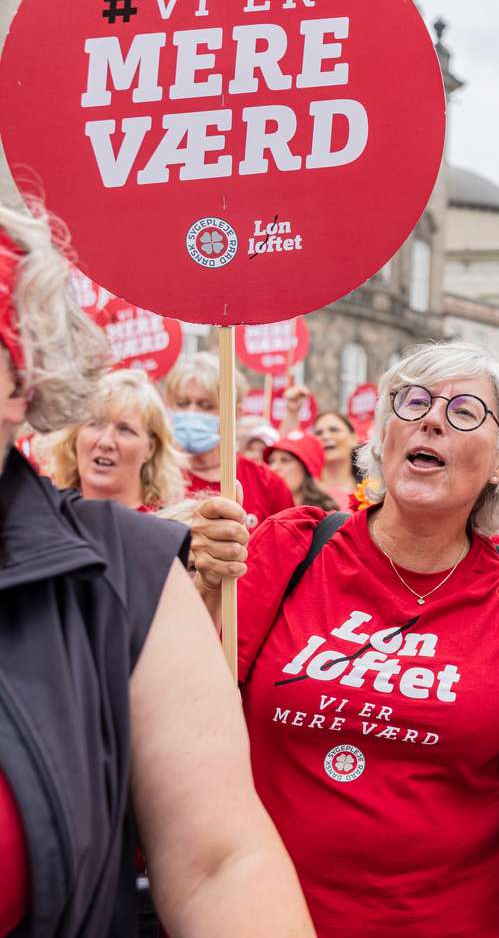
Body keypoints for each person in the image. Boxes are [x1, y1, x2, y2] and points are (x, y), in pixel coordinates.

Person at [0, 206, 312, 935]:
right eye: (100, 429)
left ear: (24, 383)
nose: (108, 443)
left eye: (129, 430)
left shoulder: (128, 581)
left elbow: (221, 865)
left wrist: (204, 577)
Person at [188, 342, 499, 937]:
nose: (431, 419)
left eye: (464, 411)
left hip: (457, 922)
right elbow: (197, 713)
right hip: (269, 915)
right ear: (385, 436)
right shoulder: (292, 549)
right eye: (412, 402)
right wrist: (202, 582)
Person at [164, 353, 294, 530]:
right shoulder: (157, 477)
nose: (191, 413)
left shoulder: (268, 484)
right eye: (182, 403)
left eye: (205, 405)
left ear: (237, 412)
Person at [41, 367, 185, 511]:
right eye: (96, 424)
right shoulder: (48, 519)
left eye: (125, 429)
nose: (105, 442)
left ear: (151, 448)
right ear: (74, 436)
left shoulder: (170, 530)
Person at [264, 427, 339, 512]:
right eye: (271, 461)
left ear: (307, 469)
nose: (273, 468)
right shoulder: (261, 510)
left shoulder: (327, 516)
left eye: (285, 460)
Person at [310, 408, 363, 506]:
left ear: (354, 438)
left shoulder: (371, 491)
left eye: (334, 430)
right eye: (318, 433)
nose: (325, 436)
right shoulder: (303, 489)